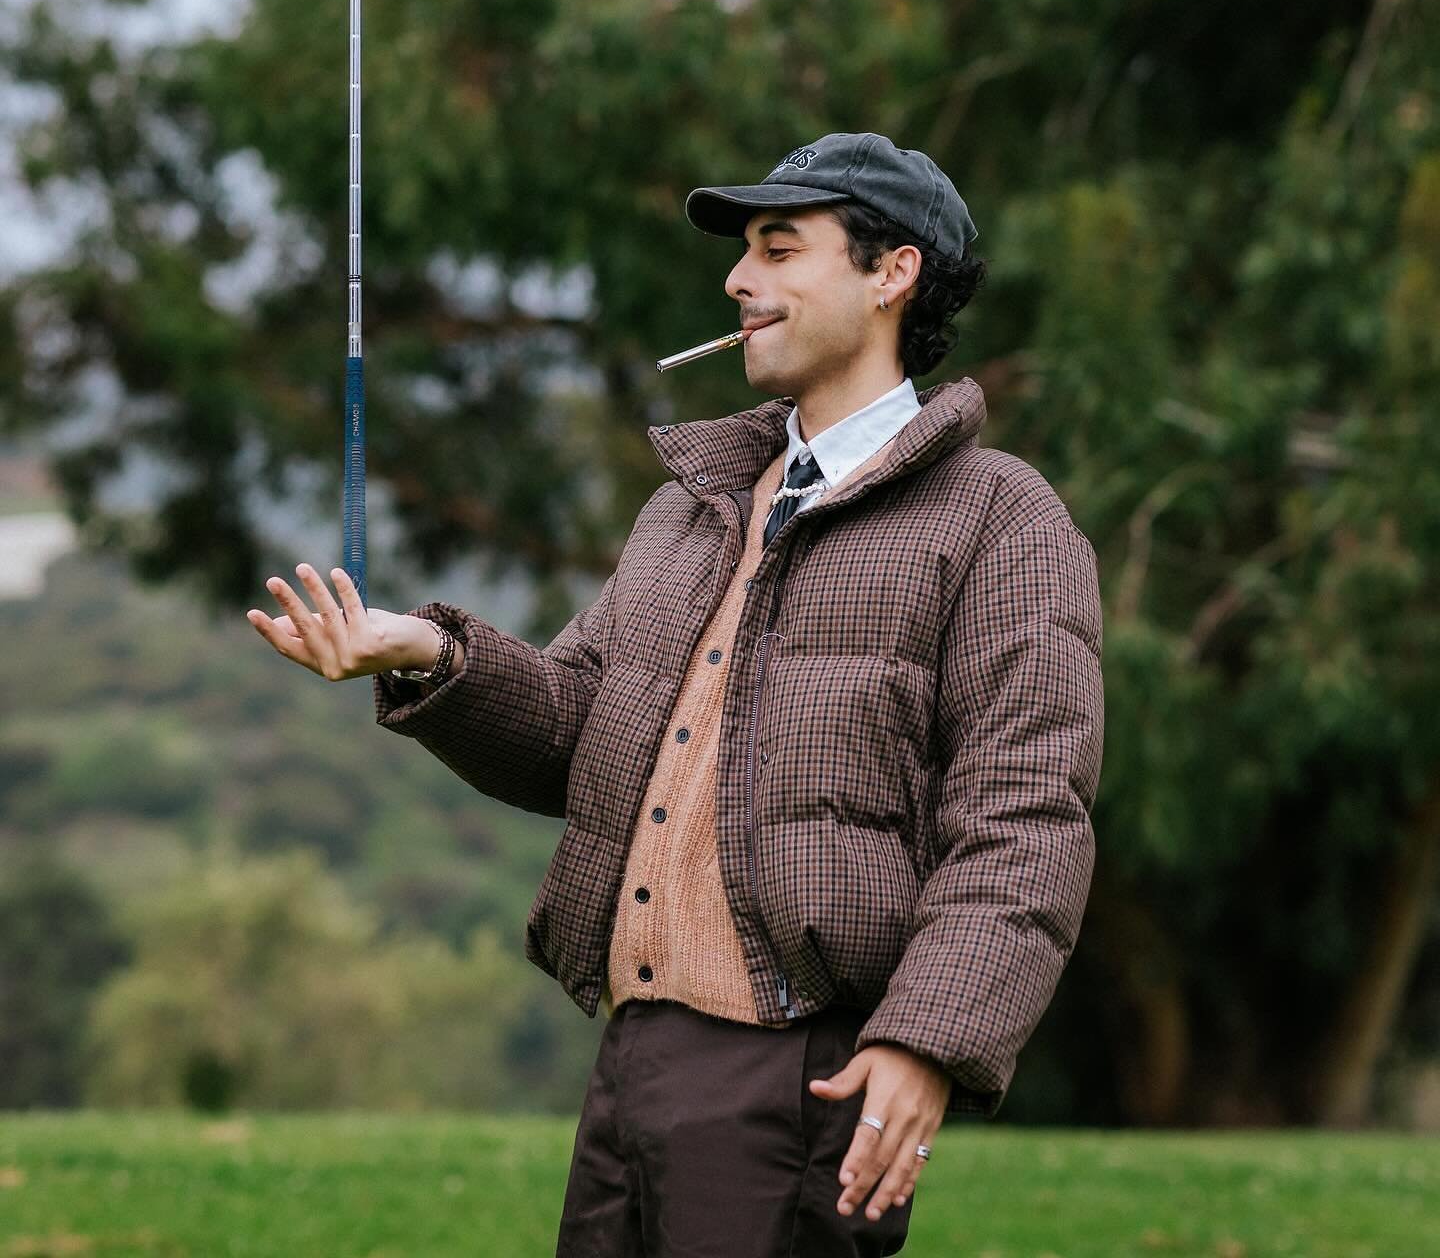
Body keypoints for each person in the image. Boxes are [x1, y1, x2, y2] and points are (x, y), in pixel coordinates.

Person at [245, 131, 1105, 1257]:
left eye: (780, 249)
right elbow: (575, 733)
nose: (740, 281)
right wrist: (427, 653)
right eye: (746, 252)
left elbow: (1025, 818)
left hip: (805, 1075)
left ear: (891, 273)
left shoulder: (1001, 518)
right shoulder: (691, 509)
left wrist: (927, 1040)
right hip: (632, 1062)